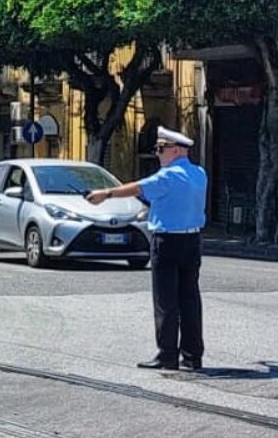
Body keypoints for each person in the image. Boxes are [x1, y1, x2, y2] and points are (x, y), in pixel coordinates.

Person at [86, 126, 208, 371]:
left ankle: (167, 355)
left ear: (175, 150)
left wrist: (105, 194)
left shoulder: (167, 177)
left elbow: (137, 188)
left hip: (167, 241)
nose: (157, 154)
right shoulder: (199, 174)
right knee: (190, 299)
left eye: (161, 149)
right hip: (192, 241)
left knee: (166, 300)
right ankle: (193, 356)